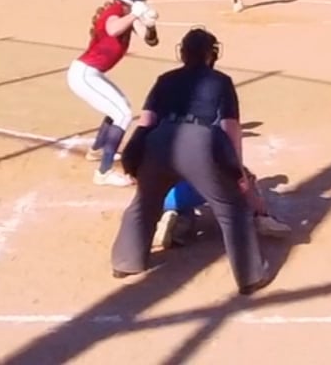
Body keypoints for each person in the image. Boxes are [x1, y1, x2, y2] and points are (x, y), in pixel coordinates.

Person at [112, 27, 273, 294]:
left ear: (183, 53)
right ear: (211, 54)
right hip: (199, 142)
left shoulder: (165, 79)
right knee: (231, 207)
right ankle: (250, 277)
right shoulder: (220, 81)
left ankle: (126, 262)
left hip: (158, 141)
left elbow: (146, 122)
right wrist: (238, 173)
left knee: (145, 203)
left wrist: (134, 156)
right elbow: (231, 128)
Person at [67, 0, 158, 186]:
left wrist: (150, 24)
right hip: (84, 74)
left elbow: (151, 41)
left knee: (120, 106)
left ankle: (97, 150)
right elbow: (113, 28)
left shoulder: (126, 12)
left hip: (92, 74)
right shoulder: (114, 12)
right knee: (122, 113)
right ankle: (103, 173)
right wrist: (135, 15)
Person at [155, 166, 291, 250]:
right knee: (240, 179)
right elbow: (242, 178)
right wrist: (262, 212)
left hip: (158, 196)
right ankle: (263, 218)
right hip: (193, 189)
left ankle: (170, 217)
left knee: (187, 210)